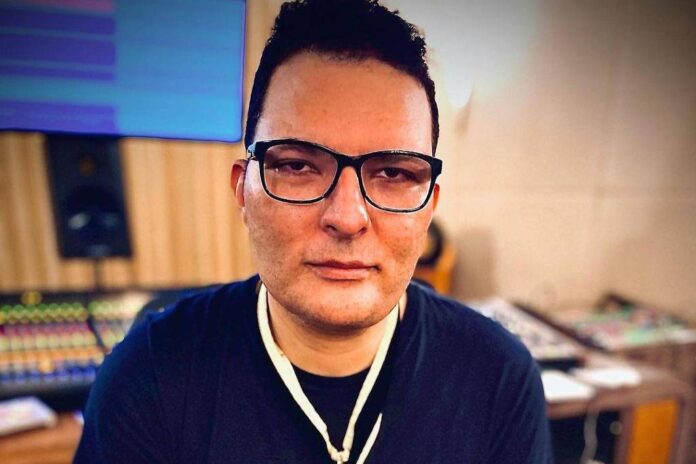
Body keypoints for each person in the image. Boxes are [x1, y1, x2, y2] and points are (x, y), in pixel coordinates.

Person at [75, 0, 552, 462]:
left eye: (393, 173)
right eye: (299, 165)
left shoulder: (499, 379)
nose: (347, 217)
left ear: (429, 207)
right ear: (242, 190)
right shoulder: (148, 378)